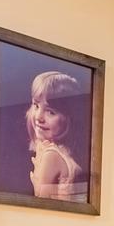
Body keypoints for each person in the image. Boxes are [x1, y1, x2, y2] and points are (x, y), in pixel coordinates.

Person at [27, 69, 87, 203]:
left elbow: (40, 207)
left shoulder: (52, 156)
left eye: (50, 112)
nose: (38, 117)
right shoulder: (63, 153)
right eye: (36, 106)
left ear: (68, 118)